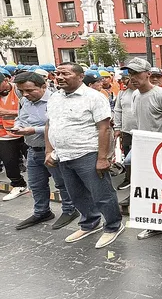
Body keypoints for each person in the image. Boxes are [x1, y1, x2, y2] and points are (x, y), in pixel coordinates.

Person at [45, 62, 124, 248]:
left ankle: (113, 226)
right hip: (63, 155)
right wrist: (49, 150)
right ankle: (89, 223)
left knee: (102, 194)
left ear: (80, 77)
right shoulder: (55, 97)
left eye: (65, 73)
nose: (60, 77)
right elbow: (50, 124)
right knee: (76, 193)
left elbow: (104, 128)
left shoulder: (94, 98)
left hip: (88, 153)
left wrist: (103, 158)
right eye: (57, 73)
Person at [120, 58, 162, 247]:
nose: (133, 77)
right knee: (150, 192)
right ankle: (155, 224)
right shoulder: (135, 95)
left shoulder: (161, 95)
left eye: (136, 73)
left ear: (148, 74)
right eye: (130, 74)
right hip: (143, 150)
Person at [12, 72, 79, 229]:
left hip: (54, 151)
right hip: (32, 150)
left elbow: (61, 125)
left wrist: (33, 130)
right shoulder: (24, 101)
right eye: (22, 91)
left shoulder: (57, 100)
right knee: (36, 184)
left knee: (62, 184)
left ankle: (70, 210)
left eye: (29, 90)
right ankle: (42, 212)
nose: (25, 94)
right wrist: (18, 126)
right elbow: (21, 118)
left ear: (43, 86)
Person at [0, 71, 29, 201]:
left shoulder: (19, 91)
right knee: (9, 162)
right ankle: (18, 185)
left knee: (39, 162)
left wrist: (8, 112)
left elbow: (31, 111)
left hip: (25, 132)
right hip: (4, 135)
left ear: (5, 81)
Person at [113, 71, 137, 190]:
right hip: (127, 131)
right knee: (127, 155)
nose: (123, 82)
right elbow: (118, 111)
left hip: (141, 131)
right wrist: (117, 128)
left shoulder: (141, 92)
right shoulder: (122, 94)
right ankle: (128, 178)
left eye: (125, 79)